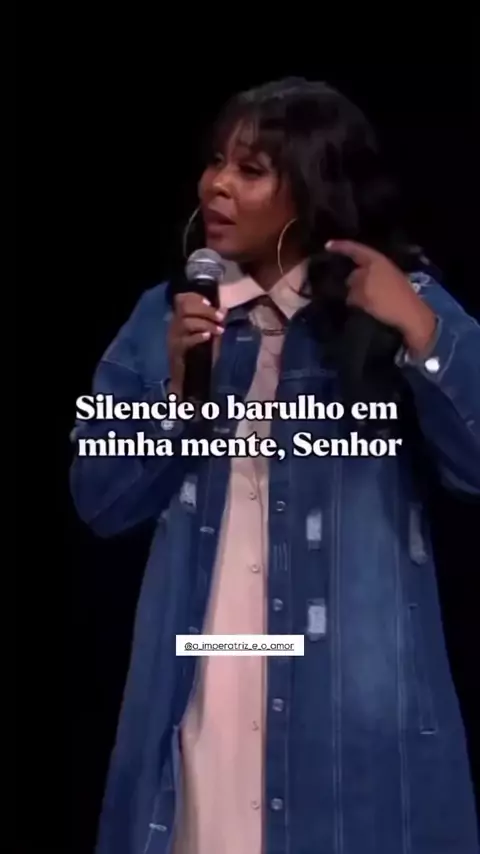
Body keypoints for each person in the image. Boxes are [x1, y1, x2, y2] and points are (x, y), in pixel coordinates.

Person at [69, 78, 480, 854]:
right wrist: (176, 396)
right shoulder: (166, 318)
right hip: (202, 695)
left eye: (250, 169)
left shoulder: (393, 305)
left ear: (313, 189)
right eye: (215, 161)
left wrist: (425, 335)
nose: (216, 185)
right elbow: (99, 498)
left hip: (350, 725)